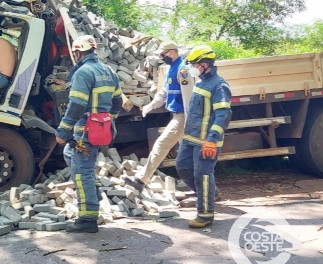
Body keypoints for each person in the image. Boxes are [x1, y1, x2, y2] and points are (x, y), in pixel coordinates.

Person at [55, 35, 123, 233]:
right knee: (72, 157)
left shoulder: (83, 72)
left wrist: (62, 130)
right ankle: (92, 192)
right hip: (101, 130)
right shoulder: (109, 71)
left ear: (78, 52)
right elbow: (118, 103)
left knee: (82, 169)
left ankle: (87, 219)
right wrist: (106, 120)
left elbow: (77, 104)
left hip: (84, 132)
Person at [175, 45, 232, 228]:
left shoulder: (219, 85)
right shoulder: (200, 83)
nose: (191, 67)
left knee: (203, 175)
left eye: (194, 64)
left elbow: (223, 115)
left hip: (207, 141)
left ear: (205, 65)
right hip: (191, 138)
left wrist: (212, 140)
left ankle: (205, 214)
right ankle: (210, 192)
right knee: (182, 167)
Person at [123, 41, 193, 190]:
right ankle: (204, 189)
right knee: (185, 154)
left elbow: (188, 98)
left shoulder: (183, 70)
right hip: (177, 115)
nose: (161, 57)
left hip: (183, 116)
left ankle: (141, 180)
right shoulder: (171, 69)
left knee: (162, 145)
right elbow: (164, 93)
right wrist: (151, 105)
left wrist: (190, 121)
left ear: (171, 53)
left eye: (163, 54)